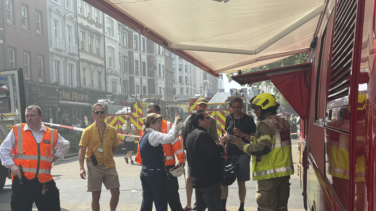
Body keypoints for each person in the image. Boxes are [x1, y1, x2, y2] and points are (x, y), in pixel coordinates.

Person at [230, 93, 294, 211]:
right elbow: (270, 140)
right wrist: (244, 135)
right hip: (283, 176)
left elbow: (262, 148)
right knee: (282, 208)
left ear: (265, 108)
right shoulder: (282, 122)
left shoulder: (265, 124)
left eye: (257, 109)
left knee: (266, 208)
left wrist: (241, 144)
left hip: (269, 178)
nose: (255, 112)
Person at [0, 105, 70, 211]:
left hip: (44, 182)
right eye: (27, 116)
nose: (29, 118)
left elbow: (65, 144)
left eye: (32, 115)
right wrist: (12, 166)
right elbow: (4, 149)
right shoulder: (18, 130)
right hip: (22, 181)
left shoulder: (51, 133)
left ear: (41, 116)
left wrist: (55, 157)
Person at [136, 104, 185, 211]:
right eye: (158, 123)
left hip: (146, 171)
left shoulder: (145, 133)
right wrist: (175, 123)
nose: (161, 125)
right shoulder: (154, 134)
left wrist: (157, 158)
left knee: (147, 201)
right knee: (161, 201)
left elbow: (144, 151)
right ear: (152, 124)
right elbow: (170, 137)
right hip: (156, 173)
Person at [79, 103, 120, 211]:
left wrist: (106, 154)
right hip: (94, 166)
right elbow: (82, 150)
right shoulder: (88, 131)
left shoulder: (112, 130)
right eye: (97, 112)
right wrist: (81, 168)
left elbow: (115, 148)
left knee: (116, 192)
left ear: (105, 114)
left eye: (102, 112)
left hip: (109, 165)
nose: (100, 114)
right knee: (96, 195)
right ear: (93, 115)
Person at [179, 97, 218, 211]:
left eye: (204, 106)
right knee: (189, 179)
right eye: (200, 105)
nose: (201, 107)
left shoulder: (211, 120)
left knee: (204, 180)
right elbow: (181, 133)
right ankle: (189, 204)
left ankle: (202, 204)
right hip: (192, 154)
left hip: (206, 155)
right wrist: (182, 151)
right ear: (197, 106)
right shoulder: (190, 119)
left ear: (206, 107)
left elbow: (214, 138)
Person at [219, 97, 256, 211]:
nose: (235, 110)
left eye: (237, 107)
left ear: (242, 107)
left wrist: (242, 134)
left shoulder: (249, 120)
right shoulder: (229, 117)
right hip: (229, 154)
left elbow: (253, 139)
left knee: (241, 182)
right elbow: (226, 132)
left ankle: (241, 206)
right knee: (224, 181)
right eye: (233, 107)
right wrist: (224, 139)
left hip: (243, 154)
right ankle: (223, 207)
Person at [186, 111, 225, 211]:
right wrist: (221, 144)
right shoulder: (202, 135)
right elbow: (211, 154)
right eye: (207, 118)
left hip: (199, 178)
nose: (210, 120)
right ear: (200, 121)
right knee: (214, 207)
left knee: (199, 207)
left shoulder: (191, 134)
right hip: (209, 180)